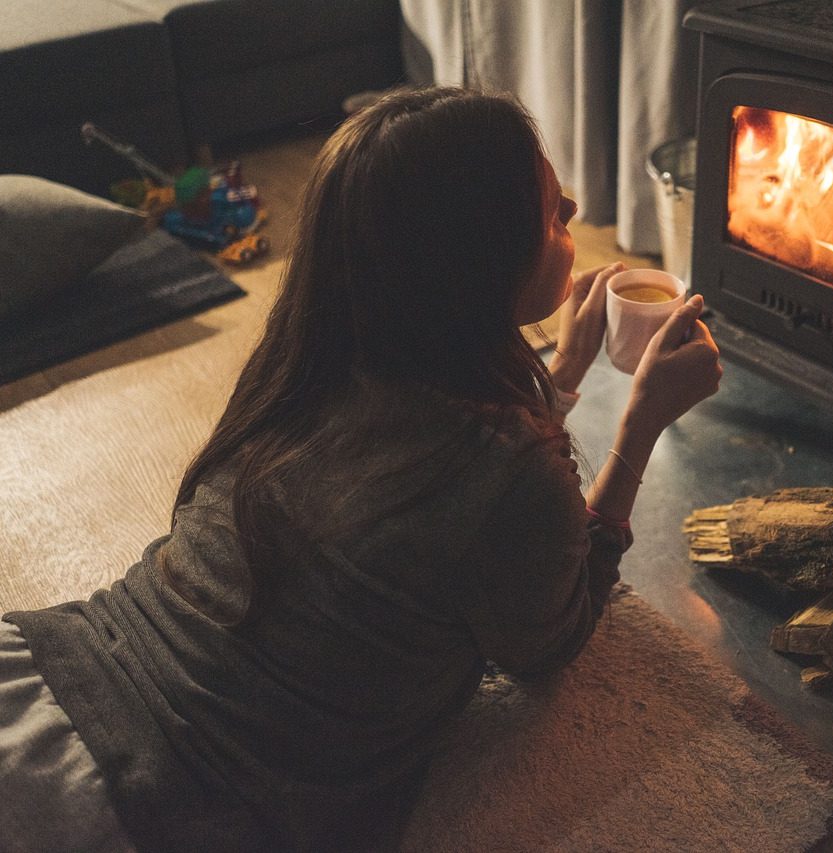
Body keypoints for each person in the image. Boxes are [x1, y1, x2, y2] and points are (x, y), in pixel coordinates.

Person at [0, 87, 722, 851]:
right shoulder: (508, 474)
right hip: (142, 800)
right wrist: (638, 428)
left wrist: (564, 368)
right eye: (546, 210)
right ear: (473, 261)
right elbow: (549, 642)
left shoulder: (309, 362)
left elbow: (447, 493)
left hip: (52, 670)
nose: (574, 207)